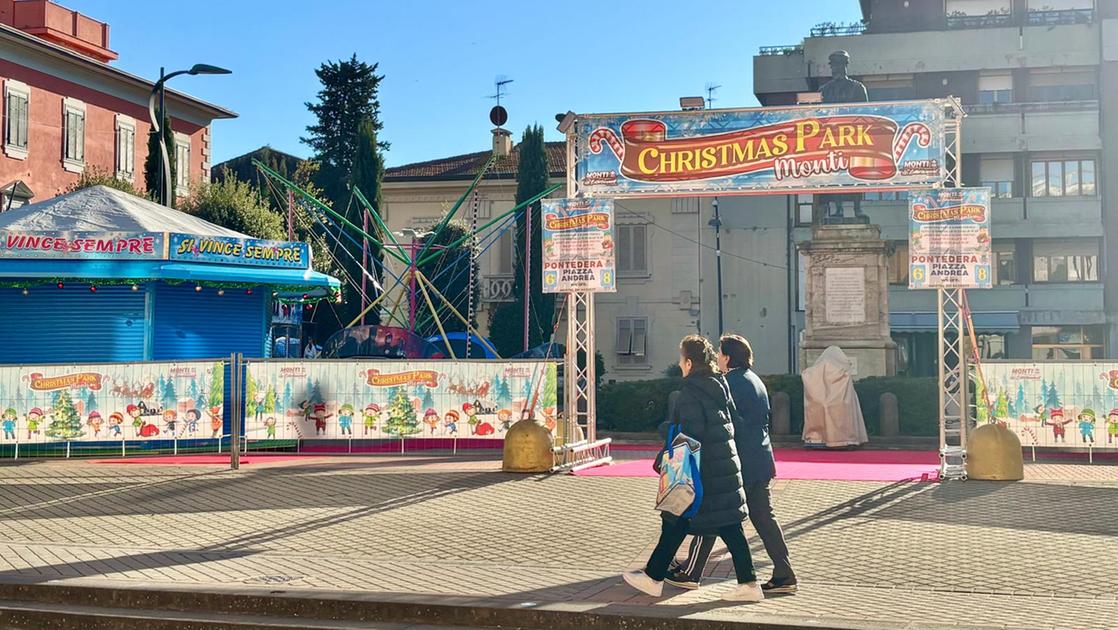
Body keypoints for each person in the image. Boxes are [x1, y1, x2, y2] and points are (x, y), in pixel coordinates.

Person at [622, 335, 763, 602]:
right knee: (729, 525)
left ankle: (653, 578)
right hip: (723, 466)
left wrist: (664, 448)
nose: (679, 364)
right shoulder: (719, 385)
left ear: (688, 362)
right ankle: (749, 583)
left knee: (675, 518)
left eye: (680, 359)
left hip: (702, 471)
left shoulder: (690, 392)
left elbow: (690, 435)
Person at [666, 334, 798, 594]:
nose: (716, 360)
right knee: (763, 518)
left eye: (719, 355)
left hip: (739, 461)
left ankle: (691, 571)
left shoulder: (729, 383)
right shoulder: (755, 380)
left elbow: (721, 423)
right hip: (761, 459)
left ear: (726, 357)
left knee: (714, 512)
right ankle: (784, 572)